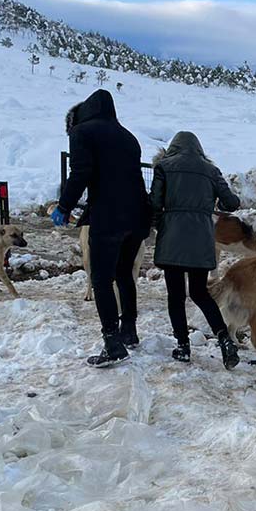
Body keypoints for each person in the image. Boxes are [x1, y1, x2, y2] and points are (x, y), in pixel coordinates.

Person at [53, 89, 151, 368]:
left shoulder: (82, 132)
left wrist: (64, 206)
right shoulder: (128, 137)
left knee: (101, 279)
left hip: (108, 218)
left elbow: (81, 172)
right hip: (137, 217)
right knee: (124, 274)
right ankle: (128, 330)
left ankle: (112, 342)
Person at [149, 132, 241, 369]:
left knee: (176, 296)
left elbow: (154, 204)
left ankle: (183, 346)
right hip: (201, 239)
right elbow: (231, 203)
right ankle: (224, 339)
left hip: (173, 238)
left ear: (172, 148)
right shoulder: (211, 170)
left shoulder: (164, 167)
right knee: (200, 293)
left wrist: (162, 225)